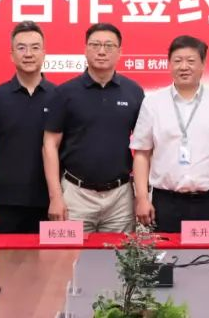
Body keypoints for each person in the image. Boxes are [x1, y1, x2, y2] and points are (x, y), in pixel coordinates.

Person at [131, 35, 209, 233]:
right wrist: (142, 198)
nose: (184, 67)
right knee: (165, 253)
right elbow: (142, 153)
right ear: (169, 64)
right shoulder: (153, 103)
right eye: (177, 61)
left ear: (203, 65)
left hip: (208, 203)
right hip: (165, 202)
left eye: (191, 61)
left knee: (208, 254)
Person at [43, 23, 144, 233]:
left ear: (119, 52)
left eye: (109, 46)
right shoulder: (65, 93)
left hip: (120, 197)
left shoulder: (134, 92)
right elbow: (49, 145)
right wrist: (55, 197)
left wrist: (142, 196)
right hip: (75, 195)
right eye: (95, 45)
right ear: (85, 49)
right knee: (68, 255)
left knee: (120, 255)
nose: (101, 51)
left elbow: (144, 147)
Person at [0, 21, 56, 232]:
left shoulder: (59, 96)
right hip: (3, 202)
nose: (28, 54)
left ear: (44, 53)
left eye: (35, 48)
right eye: (21, 48)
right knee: (5, 254)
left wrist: (58, 198)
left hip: (48, 202)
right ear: (12, 55)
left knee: (50, 255)